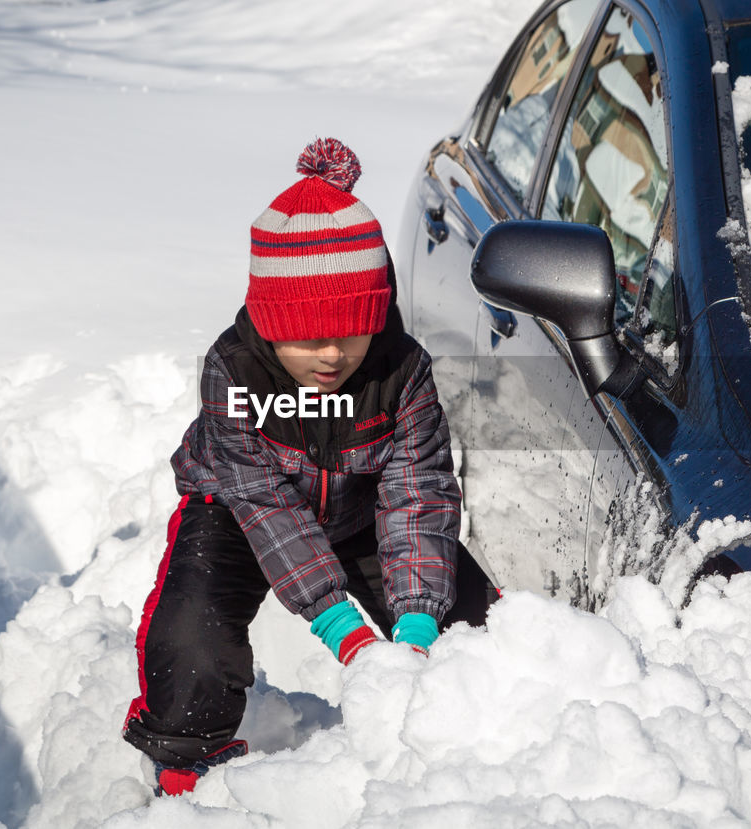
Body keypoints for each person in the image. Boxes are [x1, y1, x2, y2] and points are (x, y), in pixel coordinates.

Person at [121, 137, 496, 796]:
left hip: (359, 509)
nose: (332, 353)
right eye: (307, 336)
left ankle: (483, 753)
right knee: (191, 640)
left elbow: (418, 495)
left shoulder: (401, 371)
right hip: (236, 512)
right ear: (268, 325)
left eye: (352, 330)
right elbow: (266, 506)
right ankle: (185, 773)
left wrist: (415, 625)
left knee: (475, 630)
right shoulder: (232, 372)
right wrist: (343, 628)